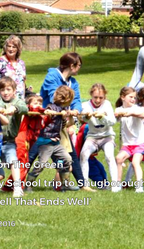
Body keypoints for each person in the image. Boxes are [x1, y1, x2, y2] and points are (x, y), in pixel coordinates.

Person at [40, 52, 94, 192]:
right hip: (46, 124)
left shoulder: (73, 82)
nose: (79, 68)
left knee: (71, 155)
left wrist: (75, 110)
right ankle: (20, 184)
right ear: (72, 65)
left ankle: (81, 185)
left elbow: (76, 100)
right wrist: (66, 109)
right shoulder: (52, 76)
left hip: (61, 123)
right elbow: (54, 97)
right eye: (79, 65)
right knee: (33, 157)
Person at [27, 86, 77, 191]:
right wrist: (50, 114)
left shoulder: (63, 110)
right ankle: (28, 184)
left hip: (56, 143)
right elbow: (46, 116)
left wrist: (67, 116)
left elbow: (63, 125)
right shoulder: (51, 107)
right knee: (41, 164)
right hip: (46, 143)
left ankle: (65, 184)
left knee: (67, 159)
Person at [80, 83, 118, 191]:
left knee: (109, 156)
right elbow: (83, 119)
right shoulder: (86, 105)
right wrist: (86, 116)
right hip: (92, 136)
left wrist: (103, 116)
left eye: (100, 98)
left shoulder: (107, 104)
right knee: (83, 155)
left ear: (104, 97)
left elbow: (112, 122)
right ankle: (85, 184)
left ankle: (115, 186)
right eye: (95, 97)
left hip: (107, 136)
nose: (98, 100)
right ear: (91, 95)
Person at [0, 77, 28, 197]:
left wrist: (15, 109)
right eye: (2, 90)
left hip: (9, 141)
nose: (5, 92)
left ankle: (17, 188)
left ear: (14, 90)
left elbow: (25, 108)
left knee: (14, 162)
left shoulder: (17, 101)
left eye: (8, 89)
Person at [115, 87, 144, 193]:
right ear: (122, 97)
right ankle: (117, 185)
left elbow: (143, 115)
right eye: (130, 97)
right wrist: (116, 116)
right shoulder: (119, 109)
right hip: (127, 144)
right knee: (119, 159)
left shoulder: (136, 108)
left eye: (134, 97)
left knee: (135, 162)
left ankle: (139, 186)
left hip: (140, 142)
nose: (133, 99)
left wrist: (132, 114)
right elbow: (114, 118)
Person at [0, 35, 26, 99]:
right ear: (5, 48)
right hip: (3, 99)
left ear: (18, 49)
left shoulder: (21, 63)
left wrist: (23, 97)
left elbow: (23, 81)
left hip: (18, 99)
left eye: (14, 47)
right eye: (9, 46)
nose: (11, 49)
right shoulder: (0, 62)